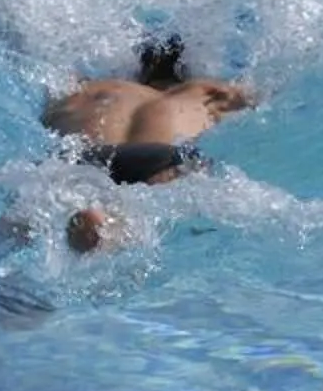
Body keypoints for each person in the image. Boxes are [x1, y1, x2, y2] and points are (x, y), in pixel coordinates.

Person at [43, 35, 256, 253]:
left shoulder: (90, 88)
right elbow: (258, 98)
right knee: (150, 212)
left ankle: (96, 222)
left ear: (138, 69)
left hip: (89, 154)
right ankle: (109, 230)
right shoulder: (203, 91)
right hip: (160, 157)